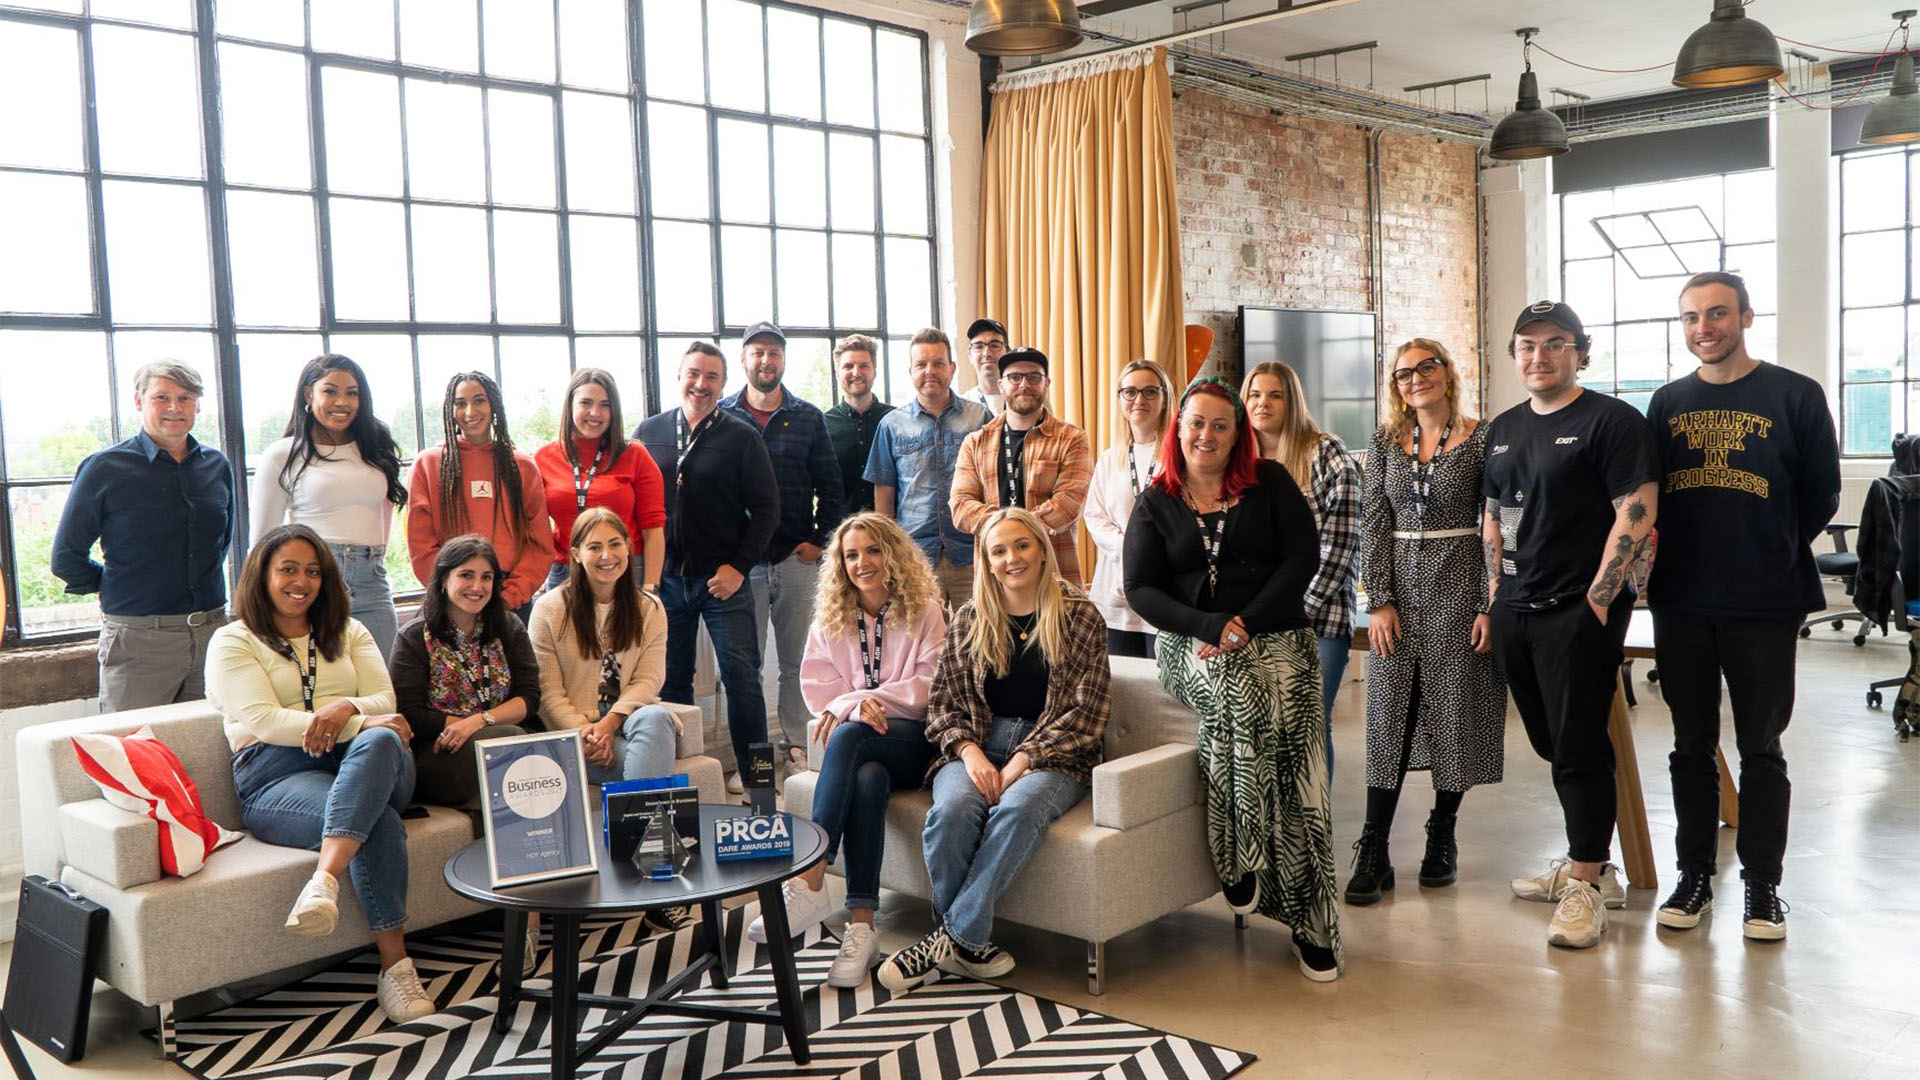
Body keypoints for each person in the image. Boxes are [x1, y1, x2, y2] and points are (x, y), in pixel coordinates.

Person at [1124, 376, 1341, 982]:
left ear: (1238, 433)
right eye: (1196, 423)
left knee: (1303, 762)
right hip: (1189, 642)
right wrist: (1211, 625)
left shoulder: (1270, 482)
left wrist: (1245, 623)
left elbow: (1301, 559)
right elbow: (1140, 588)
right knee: (1239, 689)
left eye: (1221, 425)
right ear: (1178, 430)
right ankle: (1240, 848)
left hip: (1277, 634)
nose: (1207, 434)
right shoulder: (1155, 500)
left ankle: (1312, 925)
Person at [1646, 271, 1840, 941]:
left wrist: (1769, 546)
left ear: (1747, 317)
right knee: (1689, 744)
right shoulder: (1667, 402)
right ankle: (1694, 875)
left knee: (1761, 746)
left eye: (1718, 313)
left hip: (1766, 599)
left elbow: (1822, 494)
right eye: (1692, 317)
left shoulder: (1796, 395)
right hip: (1681, 598)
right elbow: (1652, 496)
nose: (1705, 327)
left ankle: (1763, 885)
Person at [203, 524, 435, 1023]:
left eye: (312, 572)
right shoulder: (232, 641)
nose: (301, 582)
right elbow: (265, 721)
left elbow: (385, 701)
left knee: (381, 739)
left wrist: (347, 710)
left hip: (369, 761)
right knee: (376, 820)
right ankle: (396, 968)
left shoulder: (349, 630)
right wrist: (355, 718)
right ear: (261, 575)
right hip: (277, 776)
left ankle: (324, 878)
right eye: (288, 569)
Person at [876, 508, 1109, 992]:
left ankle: (949, 937)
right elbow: (942, 704)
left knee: (1019, 809)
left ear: (1042, 550)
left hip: (1055, 753)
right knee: (952, 810)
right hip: (977, 742)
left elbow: (1086, 714)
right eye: (998, 550)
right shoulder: (969, 617)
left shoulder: (1080, 614)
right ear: (986, 560)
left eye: (1022, 545)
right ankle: (970, 944)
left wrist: (1024, 759)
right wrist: (970, 753)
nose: (1012, 558)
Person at [1486, 300, 1659, 950]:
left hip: (1579, 610)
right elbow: (1497, 514)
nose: (1540, 356)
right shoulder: (1505, 428)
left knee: (1580, 744)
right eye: (1528, 346)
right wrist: (1495, 591)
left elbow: (1637, 508)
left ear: (1580, 353)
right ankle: (1594, 863)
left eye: (1556, 343)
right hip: (1516, 607)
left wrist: (1600, 599)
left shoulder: (1611, 421)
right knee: (1552, 742)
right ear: (1515, 355)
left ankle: (1587, 881)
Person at [745, 512, 946, 988]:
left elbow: (930, 686)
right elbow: (817, 687)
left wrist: (866, 703)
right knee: (867, 777)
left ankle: (811, 874)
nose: (862, 563)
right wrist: (857, 706)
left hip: (916, 742)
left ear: (893, 555)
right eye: (851, 555)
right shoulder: (832, 617)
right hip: (867, 749)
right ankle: (862, 927)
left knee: (848, 735)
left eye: (873, 550)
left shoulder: (926, 610)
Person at [1345, 340, 1506, 906]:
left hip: (1460, 586)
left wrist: (1489, 602)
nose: (1416, 379)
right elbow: (1372, 524)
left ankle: (1442, 832)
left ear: (1447, 372)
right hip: (1400, 596)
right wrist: (1378, 600)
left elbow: (1498, 520)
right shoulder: (1385, 442)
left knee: (1455, 712)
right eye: (1404, 373)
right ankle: (1374, 845)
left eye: (1426, 367)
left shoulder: (1484, 438)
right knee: (1388, 716)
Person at [530, 507, 690, 935]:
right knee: (650, 748)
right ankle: (656, 881)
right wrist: (587, 732)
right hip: (571, 740)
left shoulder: (649, 608)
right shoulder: (549, 610)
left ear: (629, 548)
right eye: (595, 546)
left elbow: (649, 679)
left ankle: (637, 864)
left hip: (627, 729)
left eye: (615, 544)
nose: (607, 555)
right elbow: (548, 694)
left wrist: (610, 724)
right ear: (576, 554)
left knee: (655, 718)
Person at [635, 343, 779, 790]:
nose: (701, 384)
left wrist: (739, 568)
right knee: (670, 682)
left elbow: (768, 510)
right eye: (694, 374)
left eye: (712, 377)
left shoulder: (741, 436)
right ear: (679, 376)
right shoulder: (649, 432)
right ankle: (679, 780)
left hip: (723, 583)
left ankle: (758, 782)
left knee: (742, 679)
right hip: (664, 583)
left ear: (723, 383)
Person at [53, 360, 234, 712]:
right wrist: (119, 585)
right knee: (132, 743)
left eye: (185, 398)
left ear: (197, 405)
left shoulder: (217, 466)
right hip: (138, 641)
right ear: (139, 401)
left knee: (211, 743)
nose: (174, 407)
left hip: (213, 637)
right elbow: (66, 558)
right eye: (161, 397)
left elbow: (220, 545)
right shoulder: (105, 468)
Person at [720, 321, 847, 776]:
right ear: (743, 360)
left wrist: (820, 541)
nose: (766, 360)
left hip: (795, 559)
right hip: (741, 565)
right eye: (757, 352)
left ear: (783, 360)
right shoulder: (722, 416)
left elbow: (831, 486)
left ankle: (795, 746)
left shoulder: (808, 417)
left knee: (799, 662)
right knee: (744, 668)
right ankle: (752, 760)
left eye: (774, 353)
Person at [252, 354, 409, 661]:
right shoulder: (283, 454)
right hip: (313, 581)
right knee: (321, 679)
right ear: (308, 395)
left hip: (372, 581)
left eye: (352, 393)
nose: (342, 402)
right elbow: (261, 542)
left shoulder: (373, 448)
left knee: (383, 678)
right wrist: (260, 607)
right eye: (330, 391)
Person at [1244, 360, 1361, 762]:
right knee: (1264, 727)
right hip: (1254, 619)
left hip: (1319, 617)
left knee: (1308, 724)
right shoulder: (1239, 460)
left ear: (1292, 401)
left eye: (1275, 395)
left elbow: (1341, 544)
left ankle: (1315, 806)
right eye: (1255, 394)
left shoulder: (1325, 451)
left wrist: (1294, 609)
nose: (1263, 403)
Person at [389, 535, 539, 819]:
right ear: (444, 579)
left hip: (503, 737)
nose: (477, 587)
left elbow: (529, 697)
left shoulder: (509, 627)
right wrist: (466, 728)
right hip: (439, 752)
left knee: (529, 744)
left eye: (486, 577)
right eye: (466, 575)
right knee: (508, 741)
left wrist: (477, 722)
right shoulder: (414, 636)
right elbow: (409, 713)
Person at [406, 371, 552, 622]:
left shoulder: (521, 465)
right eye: (460, 403)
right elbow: (420, 544)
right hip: (451, 598)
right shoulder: (428, 464)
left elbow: (538, 544)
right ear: (450, 410)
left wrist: (509, 597)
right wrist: (452, 592)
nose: (470, 411)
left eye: (479, 400)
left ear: (494, 405)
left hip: (510, 601)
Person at [866, 328, 992, 607]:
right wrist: (889, 553)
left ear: (952, 368)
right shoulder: (891, 426)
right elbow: (884, 497)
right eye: (921, 364)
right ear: (911, 371)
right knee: (922, 633)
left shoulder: (979, 418)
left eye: (938, 363)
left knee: (979, 631)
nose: (930, 371)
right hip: (915, 557)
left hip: (972, 554)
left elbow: (994, 484)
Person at [950, 348, 1093, 588]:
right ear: (1001, 385)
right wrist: (1013, 529)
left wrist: (1005, 528)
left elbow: (1069, 504)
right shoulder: (975, 443)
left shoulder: (1072, 439)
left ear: (1046, 383)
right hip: (994, 578)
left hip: (1054, 574)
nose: (1024, 384)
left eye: (1033, 377)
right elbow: (961, 506)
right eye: (1014, 377)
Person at [533, 367, 665, 595]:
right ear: (570, 405)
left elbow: (653, 529)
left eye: (605, 405)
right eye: (586, 403)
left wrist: (650, 588)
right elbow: (534, 528)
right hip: (567, 570)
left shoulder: (635, 455)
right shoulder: (544, 458)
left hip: (624, 569)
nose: (595, 413)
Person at [1082, 359, 1174, 657]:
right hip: (1115, 590)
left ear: (1164, 398)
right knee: (1122, 679)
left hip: (1165, 586)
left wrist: (1146, 550)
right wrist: (1128, 547)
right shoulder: (1111, 458)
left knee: (1161, 681)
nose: (1139, 400)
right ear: (1120, 399)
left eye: (1150, 391)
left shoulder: (1180, 458)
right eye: (1130, 392)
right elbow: (1094, 516)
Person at [824, 334, 894, 514]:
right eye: (848, 366)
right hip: (839, 528)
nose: (856, 373)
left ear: (874, 371)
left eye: (864, 365)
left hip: (891, 527)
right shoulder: (822, 425)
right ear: (837, 373)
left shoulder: (896, 420)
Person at [961, 317, 1008, 415]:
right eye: (978, 346)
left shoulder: (1023, 399)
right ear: (970, 356)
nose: (987, 353)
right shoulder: (961, 407)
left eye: (995, 346)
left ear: (1007, 352)